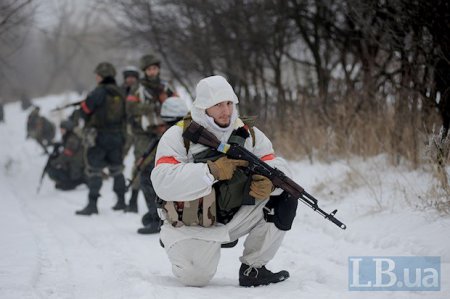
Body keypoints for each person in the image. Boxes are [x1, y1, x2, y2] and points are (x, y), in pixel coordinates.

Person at [151, 75, 296, 287]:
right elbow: (162, 180)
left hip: (234, 217)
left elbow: (276, 165)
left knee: (287, 194)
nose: (226, 111)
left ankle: (253, 269)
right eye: (217, 105)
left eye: (229, 103)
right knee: (195, 278)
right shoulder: (179, 136)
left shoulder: (248, 134)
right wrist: (211, 171)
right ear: (203, 107)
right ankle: (173, 240)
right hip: (189, 223)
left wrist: (270, 183)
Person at [124, 53, 177, 213]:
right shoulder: (138, 88)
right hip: (144, 133)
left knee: (166, 166)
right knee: (142, 165)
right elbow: (130, 108)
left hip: (165, 131)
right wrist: (153, 106)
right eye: (149, 69)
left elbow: (177, 104)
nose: (152, 72)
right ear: (145, 71)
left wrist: (165, 103)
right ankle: (135, 199)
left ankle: (163, 208)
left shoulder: (166, 86)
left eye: (154, 68)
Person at [75, 62, 127, 216]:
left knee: (95, 170)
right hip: (117, 136)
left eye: (97, 74)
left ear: (102, 76)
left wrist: (82, 107)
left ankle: (92, 205)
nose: (96, 77)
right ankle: (121, 201)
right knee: (117, 169)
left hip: (98, 136)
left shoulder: (98, 92)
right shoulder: (121, 92)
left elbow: (85, 111)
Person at [137, 96, 188, 234]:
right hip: (188, 174)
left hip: (177, 173)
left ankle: (156, 219)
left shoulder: (171, 132)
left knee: (147, 176)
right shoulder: (189, 125)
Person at [46, 120, 85, 190]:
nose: (61, 131)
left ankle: (70, 183)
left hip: (76, 168)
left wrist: (53, 162)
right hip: (76, 166)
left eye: (62, 129)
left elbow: (66, 156)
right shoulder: (70, 137)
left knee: (51, 170)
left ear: (67, 129)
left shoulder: (72, 139)